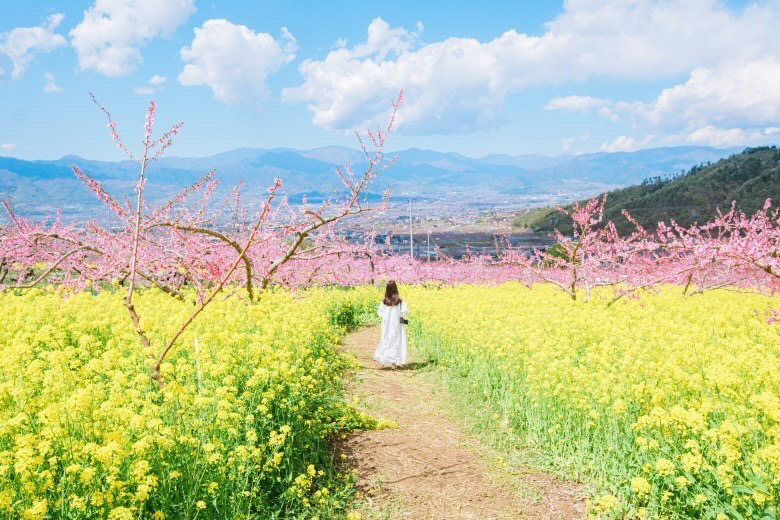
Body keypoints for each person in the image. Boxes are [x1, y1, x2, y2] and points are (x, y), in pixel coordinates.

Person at [374, 280, 408, 368]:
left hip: (386, 325)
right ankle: (394, 362)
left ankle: (384, 360)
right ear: (395, 288)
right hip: (397, 325)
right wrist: (399, 316)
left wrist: (386, 317)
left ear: (387, 289)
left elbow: (380, 313)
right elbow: (404, 312)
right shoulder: (400, 301)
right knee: (397, 341)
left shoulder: (384, 301)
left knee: (386, 340)